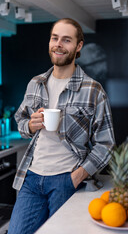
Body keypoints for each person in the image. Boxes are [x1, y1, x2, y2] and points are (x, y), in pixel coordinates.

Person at [8, 18, 115, 234]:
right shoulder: (35, 83)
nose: (58, 44)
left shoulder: (93, 90)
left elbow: (106, 144)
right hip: (31, 178)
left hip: (66, 178)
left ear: (78, 46)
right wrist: (30, 125)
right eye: (55, 38)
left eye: (66, 40)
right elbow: (20, 121)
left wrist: (76, 177)